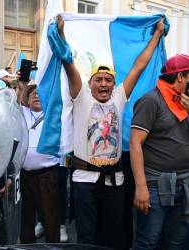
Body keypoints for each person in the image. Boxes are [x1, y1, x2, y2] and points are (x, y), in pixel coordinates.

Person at [57, 16, 165, 250]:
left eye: (108, 80)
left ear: (114, 84)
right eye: (99, 80)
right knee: (86, 237)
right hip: (85, 180)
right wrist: (61, 34)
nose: (104, 84)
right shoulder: (81, 96)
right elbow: (68, 63)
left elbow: (139, 66)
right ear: (90, 83)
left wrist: (157, 34)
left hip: (115, 181)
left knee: (114, 236)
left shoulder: (119, 97)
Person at [130, 54, 189, 250]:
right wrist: (141, 187)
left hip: (184, 184)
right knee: (148, 241)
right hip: (155, 185)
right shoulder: (151, 100)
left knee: (176, 243)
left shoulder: (186, 102)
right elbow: (135, 143)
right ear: (180, 77)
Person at [19, 82, 60, 243]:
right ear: (27, 100)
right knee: (25, 218)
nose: (36, 95)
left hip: (47, 176)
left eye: (40, 93)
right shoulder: (21, 113)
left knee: (50, 218)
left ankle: (53, 247)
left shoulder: (54, 116)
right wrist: (22, 87)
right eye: (32, 94)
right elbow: (14, 101)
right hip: (24, 176)